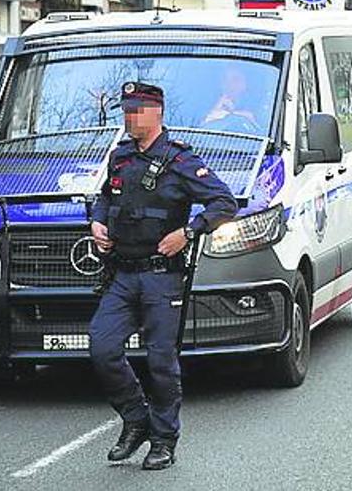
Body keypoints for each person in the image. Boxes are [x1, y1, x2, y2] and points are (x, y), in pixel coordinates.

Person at [89, 82, 237, 470]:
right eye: (126, 110)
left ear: (157, 112)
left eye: (137, 110)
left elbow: (225, 203)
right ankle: (136, 420)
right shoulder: (120, 157)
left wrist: (188, 232)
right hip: (122, 273)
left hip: (161, 277)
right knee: (102, 347)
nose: (130, 117)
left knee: (160, 362)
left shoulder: (181, 161)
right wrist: (97, 221)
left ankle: (163, 441)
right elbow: (105, 195)